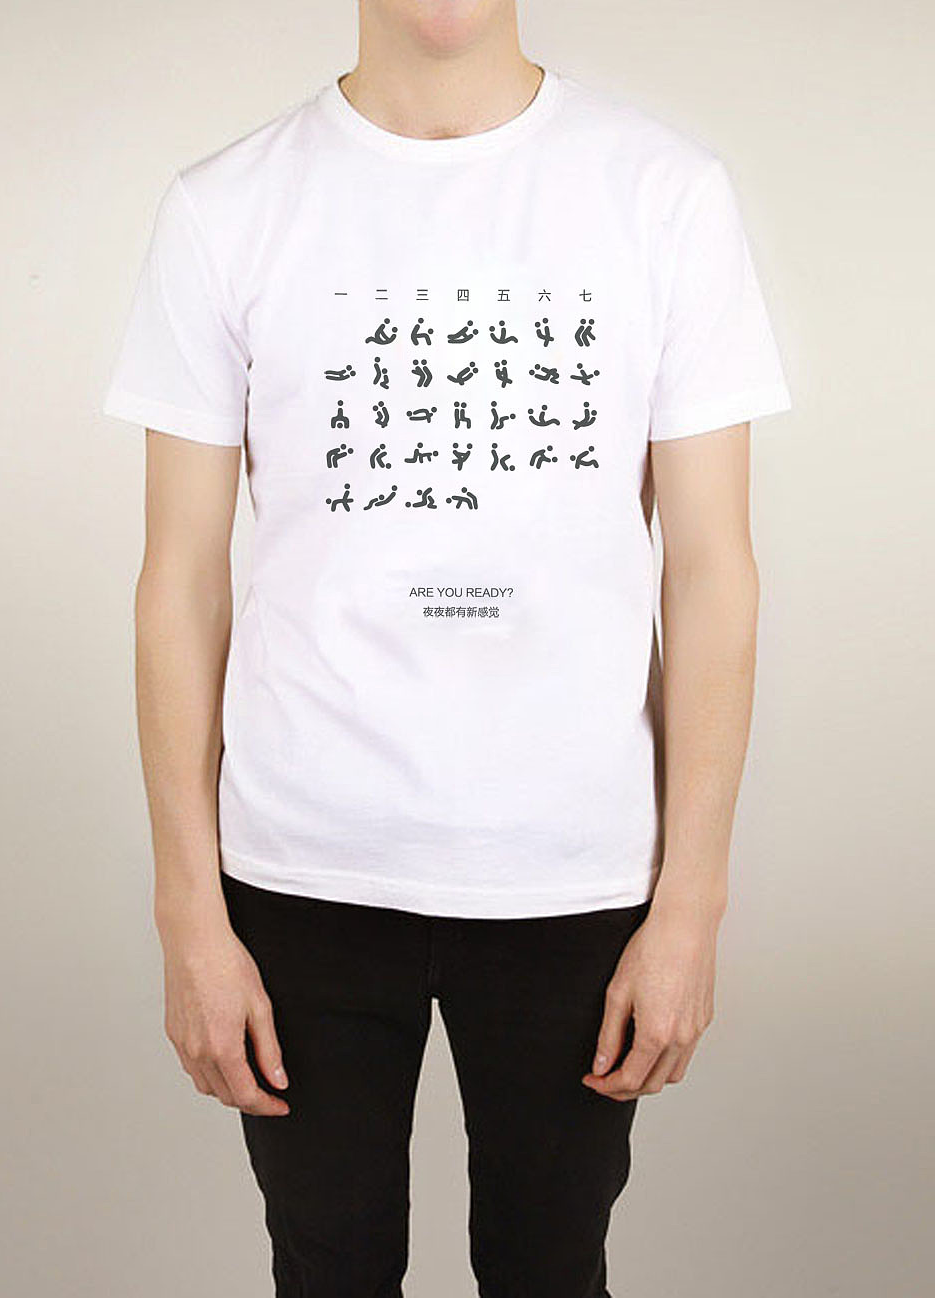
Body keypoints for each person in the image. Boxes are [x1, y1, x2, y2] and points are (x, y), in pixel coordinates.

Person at [101, 2, 791, 1294]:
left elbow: (711, 574)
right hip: (300, 866)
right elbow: (179, 582)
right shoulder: (226, 206)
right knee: (328, 1268)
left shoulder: (663, 193)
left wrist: (692, 901)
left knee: (550, 1268)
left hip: (572, 871)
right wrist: (186, 909)